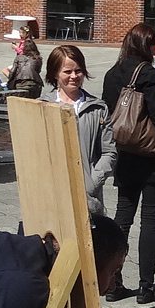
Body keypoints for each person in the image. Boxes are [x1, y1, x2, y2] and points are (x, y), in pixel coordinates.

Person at [101, 22, 155, 302]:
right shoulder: (147, 72)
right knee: (150, 221)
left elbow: (108, 114)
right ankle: (147, 286)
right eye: (152, 45)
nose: (154, 51)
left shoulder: (112, 73)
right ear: (144, 46)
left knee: (122, 218)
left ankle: (112, 282)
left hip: (124, 154)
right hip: (151, 155)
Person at [43, 44, 116, 217]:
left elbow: (109, 152)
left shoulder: (97, 108)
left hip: (88, 197)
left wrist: (93, 182)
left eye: (78, 71)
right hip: (52, 194)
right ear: (55, 73)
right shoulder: (43, 106)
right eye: (67, 72)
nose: (74, 76)